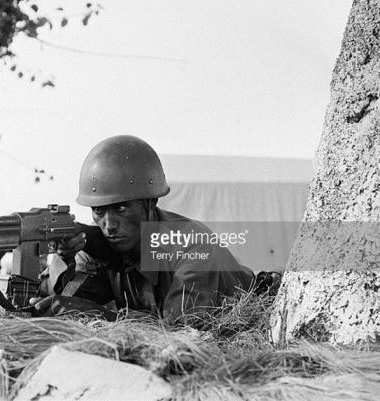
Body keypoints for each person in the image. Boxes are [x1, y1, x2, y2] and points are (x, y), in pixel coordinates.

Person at [38, 135, 254, 323]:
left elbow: (181, 334)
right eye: (98, 211)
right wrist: (66, 258)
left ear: (151, 203)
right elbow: (71, 301)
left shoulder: (193, 248)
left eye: (121, 208)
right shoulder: (102, 248)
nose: (109, 225)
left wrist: (99, 316)